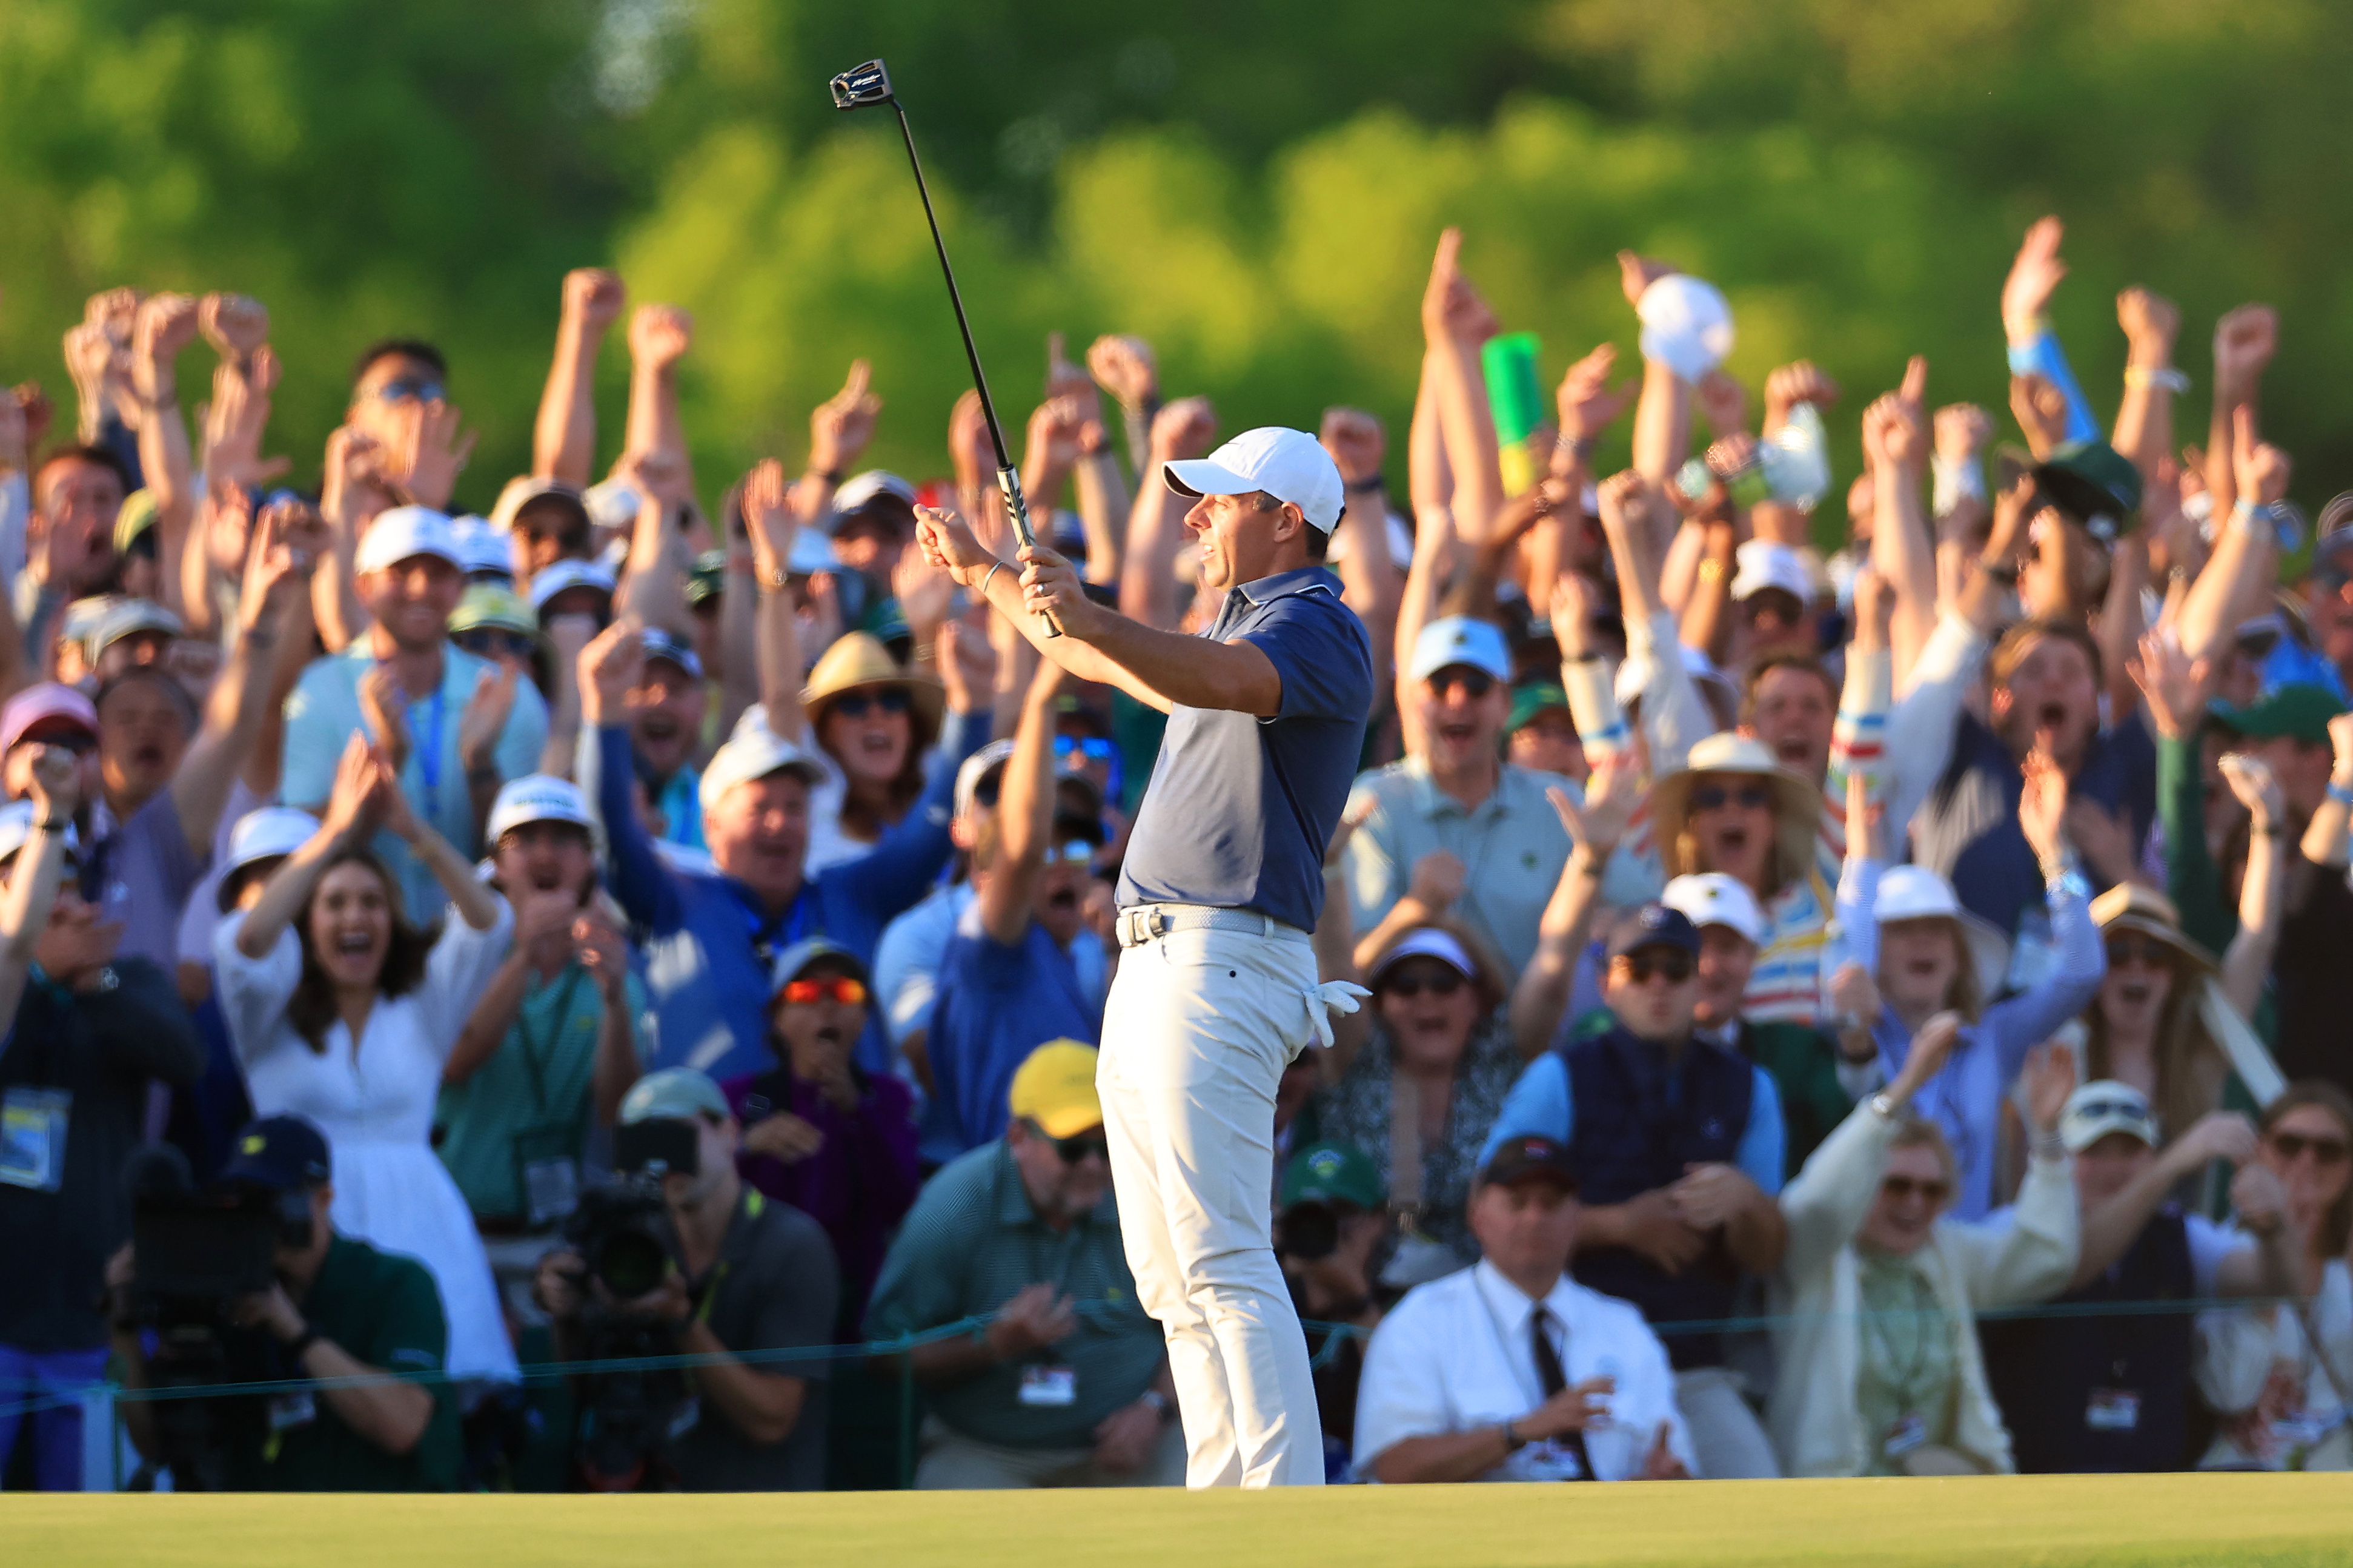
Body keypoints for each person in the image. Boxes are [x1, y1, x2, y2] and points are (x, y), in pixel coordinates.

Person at [917, 424, 1375, 1488]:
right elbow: (1096, 654)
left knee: (1220, 1255)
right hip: (1165, 965)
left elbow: (1217, 675)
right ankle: (1225, 1507)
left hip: (1220, 959)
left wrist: (1092, 611)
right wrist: (986, 575)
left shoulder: (1314, 622)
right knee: (1168, 1273)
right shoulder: (1240, 628)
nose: (1194, 516)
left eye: (1218, 501)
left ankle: (1282, 1515)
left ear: (1286, 520)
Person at [214, 733, 519, 1386]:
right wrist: (334, 833)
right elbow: (246, 943)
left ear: (393, 918)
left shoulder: (424, 1002)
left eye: (372, 902)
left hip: (423, 1228)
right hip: (304, 1226)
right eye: (334, 903)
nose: (355, 916)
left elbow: (489, 923)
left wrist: (414, 833)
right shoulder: (267, 1011)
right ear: (308, 924)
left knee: (430, 1398)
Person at [577, 621, 965, 1083]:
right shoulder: (672, 900)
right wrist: (604, 714)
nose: (780, 823)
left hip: (848, 1128)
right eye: (759, 808)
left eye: (795, 807)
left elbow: (929, 836)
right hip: (714, 1130)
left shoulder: (851, 896)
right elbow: (614, 828)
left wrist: (971, 709)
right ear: (712, 825)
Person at [1481, 902, 1787, 1480]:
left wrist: (1745, 1200)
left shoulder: (1750, 1086)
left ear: (1698, 979)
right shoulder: (1560, 1076)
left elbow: (1767, 1253)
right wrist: (1621, 1225)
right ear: (1605, 983)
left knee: (1758, 1493)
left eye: (1676, 968)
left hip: (1693, 1365)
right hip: (1568, 1361)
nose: (1658, 984)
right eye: (1638, 969)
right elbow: (1489, 1210)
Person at [0, 769, 202, 1491]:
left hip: (90, 1317)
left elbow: (183, 1061)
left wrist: (93, 984)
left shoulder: (127, 976)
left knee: (89, 1525)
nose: (54, 896)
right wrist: (33, 974)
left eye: (65, 878)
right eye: (29, 877)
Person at [864, 1042, 1183, 1489]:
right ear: (1018, 1138)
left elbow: (1205, 1322)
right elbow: (884, 1355)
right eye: (1073, 1148)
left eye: (1108, 1145)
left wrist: (1156, 1407)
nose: (1094, 1165)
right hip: (987, 1448)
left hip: (1141, 1435)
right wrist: (991, 1344)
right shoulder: (952, 1209)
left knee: (1214, 1489)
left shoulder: (1148, 1191)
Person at [1769, 1017, 2079, 1477]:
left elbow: (2045, 1257)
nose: (1915, 1203)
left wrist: (2048, 1136)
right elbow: (1813, 1203)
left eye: (1932, 1191)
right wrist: (1902, 1090)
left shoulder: (1944, 1251)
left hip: (1936, 1489)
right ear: (1863, 1182)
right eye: (1897, 1185)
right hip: (1835, 1491)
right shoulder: (1818, 1256)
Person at [106, 1116, 463, 1491]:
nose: (259, 1217)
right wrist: (123, 1325)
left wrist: (295, 1333)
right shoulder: (229, 1293)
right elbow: (154, 1443)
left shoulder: (395, 1284)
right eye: (244, 1200)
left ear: (324, 1199)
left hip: (383, 1514)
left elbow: (402, 1426)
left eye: (273, 1199)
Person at [536, 1068, 840, 1490]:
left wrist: (681, 1320)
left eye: (677, 1136)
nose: (664, 1159)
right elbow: (588, 1388)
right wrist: (566, 1315)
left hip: (760, 1511)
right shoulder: (634, 1242)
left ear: (729, 1133)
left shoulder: (793, 1245)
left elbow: (773, 1420)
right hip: (658, 1506)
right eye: (645, 1144)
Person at [1831, 755, 2104, 1220]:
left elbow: (2082, 972)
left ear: (1959, 956)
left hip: (1966, 1261)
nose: (1922, 940)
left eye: (1938, 928)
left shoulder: (1993, 1036)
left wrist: (2055, 854)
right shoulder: (1860, 1036)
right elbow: (1850, 971)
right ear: (1877, 955)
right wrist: (1861, 866)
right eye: (1902, 930)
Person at [1982, 1081, 2296, 1472]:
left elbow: (2277, 1281)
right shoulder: (2011, 1230)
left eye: (2129, 1151)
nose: (2113, 1169)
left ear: (2149, 1157)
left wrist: (2275, 1225)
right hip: (2033, 1481)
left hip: (2152, 1483)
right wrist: (2174, 1163)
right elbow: (2069, 1266)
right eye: (2094, 1151)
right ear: (2060, 1158)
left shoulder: (2180, 1234)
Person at [1354, 1135, 1695, 1483]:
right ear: (1478, 1216)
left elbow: (1678, 1466)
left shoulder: (1624, 1327)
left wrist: (1665, 1478)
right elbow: (1396, 1467)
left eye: (1551, 1204)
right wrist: (1519, 1432)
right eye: (1517, 1203)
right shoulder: (1421, 1321)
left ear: (1576, 1218)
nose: (1534, 1218)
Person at [282, 506, 551, 921]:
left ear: (460, 588)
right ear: (363, 586)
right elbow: (307, 854)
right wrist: (389, 757)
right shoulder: (319, 691)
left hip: (480, 936)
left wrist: (480, 765)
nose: (421, 588)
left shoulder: (507, 694)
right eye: (401, 573)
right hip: (361, 937)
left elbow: (526, 860)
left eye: (439, 574)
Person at [435, 776, 645, 1294]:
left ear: (590, 862)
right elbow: (454, 1063)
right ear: (498, 866)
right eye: (525, 839)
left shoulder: (611, 968)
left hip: (551, 1237)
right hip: (455, 1231)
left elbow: (617, 1112)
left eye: (566, 839)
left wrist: (615, 1000)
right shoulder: (459, 954)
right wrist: (527, 952)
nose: (546, 854)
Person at [926, 657, 1105, 1152]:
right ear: (989, 878)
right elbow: (1021, 849)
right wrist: (1042, 698)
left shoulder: (1073, 957)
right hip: (1002, 1190)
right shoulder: (991, 954)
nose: (1065, 866)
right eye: (1050, 850)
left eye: (1077, 847)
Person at [1341, 615, 1579, 978]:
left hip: (1536, 1014)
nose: (1457, 700)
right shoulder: (1374, 803)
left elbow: (1634, 914)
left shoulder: (1558, 805)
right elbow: (1349, 976)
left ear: (1506, 704)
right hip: (1401, 1012)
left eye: (1477, 686)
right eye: (1439, 685)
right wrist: (1416, 908)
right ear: (1414, 703)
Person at [1912, 618, 2156, 947]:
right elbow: (1934, 664)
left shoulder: (2123, 768)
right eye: (2033, 671)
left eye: (2072, 672)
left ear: (2096, 704)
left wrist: (2123, 872)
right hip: (1965, 979)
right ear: (2001, 701)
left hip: (2093, 979)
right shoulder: (1961, 758)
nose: (2054, 681)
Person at [723, 938, 918, 1330]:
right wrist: (747, 1145)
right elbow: (698, 1185)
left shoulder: (888, 1096)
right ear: (778, 1018)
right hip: (764, 1300)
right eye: (807, 993)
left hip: (858, 1307)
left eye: (845, 993)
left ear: (863, 1017)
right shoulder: (743, 1098)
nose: (827, 1005)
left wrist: (857, 1111)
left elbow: (903, 1201)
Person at [1309, 925, 1523, 1277]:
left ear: (1477, 1000)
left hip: (1485, 1296)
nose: (1426, 997)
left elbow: (1552, 978)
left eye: (1445, 983)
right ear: (1379, 1004)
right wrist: (1417, 911)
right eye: (1405, 986)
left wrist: (1445, 922)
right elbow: (1336, 965)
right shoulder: (1355, 1068)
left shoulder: (1502, 1068)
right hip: (1361, 1295)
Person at [2192, 1083, 2353, 1471]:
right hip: (2240, 1480)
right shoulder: (2222, 1252)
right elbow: (2229, 1392)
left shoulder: (2343, 1268)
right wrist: (2273, 1268)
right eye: (2290, 1144)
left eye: (2329, 1150)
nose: (2308, 1160)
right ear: (2260, 1150)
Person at [1664, 871, 1858, 1178]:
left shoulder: (1797, 1052)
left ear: (1752, 956)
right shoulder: (1616, 1051)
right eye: (1694, 947)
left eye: (1727, 947)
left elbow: (1844, 1155)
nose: (1710, 966)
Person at [1645, 730, 1829, 1024]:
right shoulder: (1663, 916)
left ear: (1775, 820)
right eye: (1711, 798)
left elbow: (1860, 762)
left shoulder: (1821, 896)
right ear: (1691, 825)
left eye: (1751, 796)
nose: (1731, 808)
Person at [1272, 1140, 1387, 1483]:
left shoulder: (1403, 1306)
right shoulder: (1258, 1304)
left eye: (1341, 1213)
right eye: (1307, 1215)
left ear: (1377, 1221)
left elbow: (1405, 1399)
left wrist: (1358, 1300)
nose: (1324, 1228)